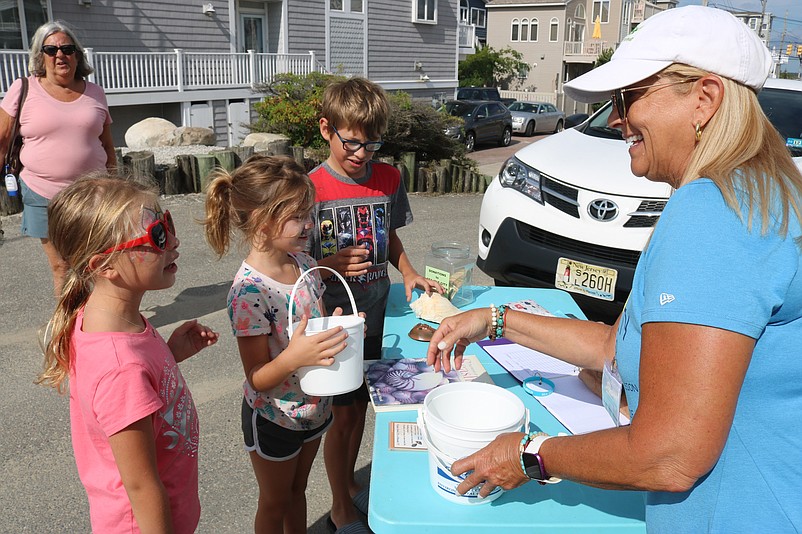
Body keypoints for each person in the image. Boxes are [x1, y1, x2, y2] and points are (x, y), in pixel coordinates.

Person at [427, 6, 802, 532]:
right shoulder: (761, 194)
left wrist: (531, 455)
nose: (618, 117)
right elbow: (617, 349)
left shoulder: (713, 213)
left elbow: (667, 455)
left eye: (627, 98)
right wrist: (497, 320)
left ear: (705, 99)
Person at [36, 174, 219, 533]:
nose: (175, 241)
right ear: (104, 266)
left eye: (168, 222)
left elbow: (128, 392)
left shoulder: (110, 318)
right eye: (158, 235)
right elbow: (140, 485)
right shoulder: (121, 368)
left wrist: (167, 354)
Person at [309, 77, 442, 532]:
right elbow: (297, 262)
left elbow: (390, 236)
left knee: (362, 408)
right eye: (352, 143)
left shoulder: (388, 178)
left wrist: (408, 271)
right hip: (334, 319)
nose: (362, 154)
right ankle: (339, 503)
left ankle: (348, 485)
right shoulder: (310, 189)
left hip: (377, 309)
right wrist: (330, 261)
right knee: (341, 414)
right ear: (326, 128)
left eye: (372, 144)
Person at [204, 155, 351, 534]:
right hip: (275, 417)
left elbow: (307, 327)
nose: (310, 224)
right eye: (298, 215)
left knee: (298, 490)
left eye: (309, 212)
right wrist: (295, 356)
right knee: (274, 502)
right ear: (261, 220)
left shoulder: (303, 262)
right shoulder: (249, 292)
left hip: (314, 408)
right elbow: (257, 378)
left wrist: (338, 328)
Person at [0, 21, 116, 297]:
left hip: (94, 194)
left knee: (97, 262)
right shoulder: (23, 88)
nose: (59, 54)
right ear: (40, 57)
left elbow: (108, 146)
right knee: (62, 266)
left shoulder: (95, 92)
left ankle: (98, 321)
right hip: (43, 192)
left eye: (67, 48)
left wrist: (117, 188)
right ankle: (69, 328)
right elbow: (2, 140)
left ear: (77, 55)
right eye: (50, 49)